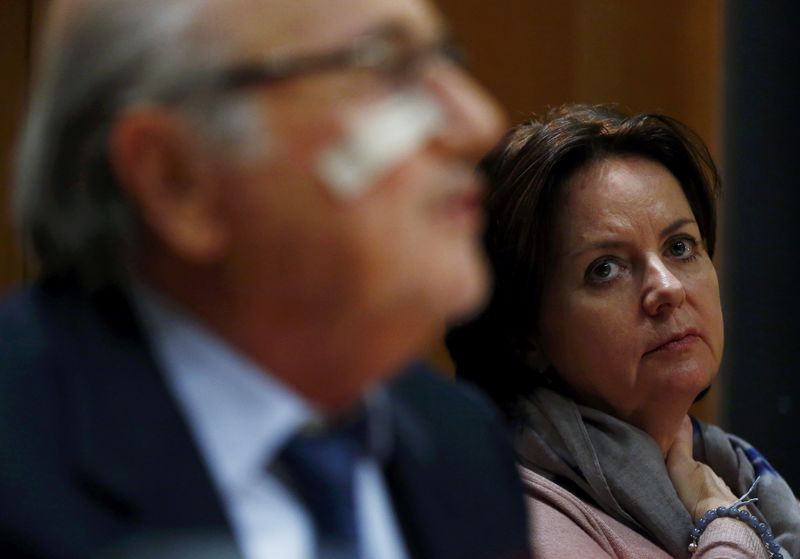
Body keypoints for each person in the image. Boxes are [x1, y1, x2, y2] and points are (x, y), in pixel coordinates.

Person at [0, 0, 531, 558]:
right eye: (385, 66)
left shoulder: (460, 446)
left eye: (442, 58)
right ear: (175, 177)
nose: (478, 122)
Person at [446, 105, 800, 558]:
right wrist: (727, 524)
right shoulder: (512, 524)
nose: (667, 288)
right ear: (525, 335)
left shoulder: (731, 471)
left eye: (680, 247)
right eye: (605, 269)